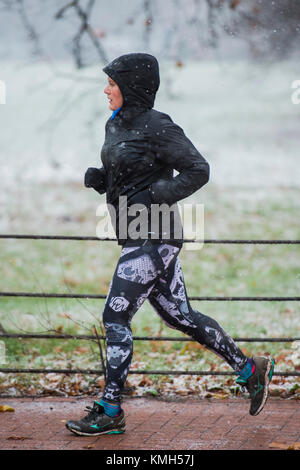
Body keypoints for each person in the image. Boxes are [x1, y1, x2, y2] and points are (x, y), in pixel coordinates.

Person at [66, 53, 275, 437]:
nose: (106, 90)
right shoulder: (116, 124)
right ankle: (249, 370)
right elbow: (134, 169)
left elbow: (198, 169)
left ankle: (110, 409)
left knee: (115, 317)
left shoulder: (158, 124)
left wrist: (162, 193)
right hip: (135, 232)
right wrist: (103, 178)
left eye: (112, 83)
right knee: (181, 317)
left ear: (130, 88)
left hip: (154, 234)